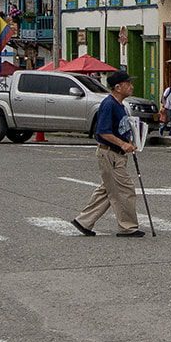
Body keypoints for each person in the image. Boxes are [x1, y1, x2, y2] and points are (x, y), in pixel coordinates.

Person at [67, 70, 143, 237]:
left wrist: (129, 141)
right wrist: (122, 143)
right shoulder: (109, 104)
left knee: (108, 190)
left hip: (117, 154)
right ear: (118, 87)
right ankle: (128, 227)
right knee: (125, 190)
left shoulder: (120, 105)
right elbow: (103, 132)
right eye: (128, 83)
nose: (131, 86)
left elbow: (119, 129)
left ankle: (83, 222)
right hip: (110, 154)